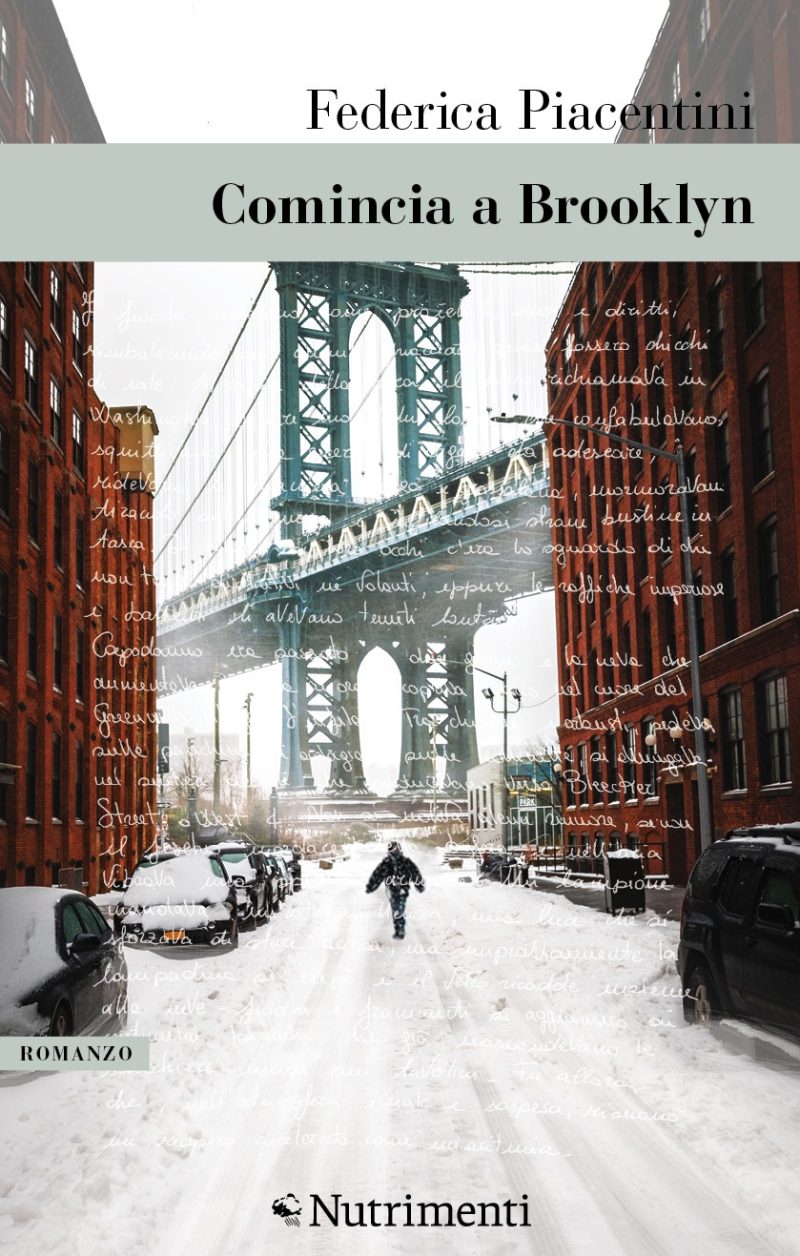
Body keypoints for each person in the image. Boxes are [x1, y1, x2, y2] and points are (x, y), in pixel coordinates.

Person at [365, 841, 424, 939]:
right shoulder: (386, 863)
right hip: (391, 890)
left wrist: (419, 885)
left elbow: (415, 873)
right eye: (392, 850)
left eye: (396, 849)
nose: (394, 851)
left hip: (403, 889)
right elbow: (377, 875)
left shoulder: (406, 862)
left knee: (399, 907)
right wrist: (371, 886)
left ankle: (400, 929)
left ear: (399, 850)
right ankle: (399, 928)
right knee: (395, 908)